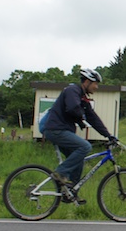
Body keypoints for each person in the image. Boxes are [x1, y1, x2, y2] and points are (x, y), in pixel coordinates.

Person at [43, 68, 117, 204]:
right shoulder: (73, 90)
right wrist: (81, 119)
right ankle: (60, 173)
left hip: (62, 130)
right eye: (95, 83)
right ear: (87, 82)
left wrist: (109, 135)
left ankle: (70, 191)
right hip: (56, 129)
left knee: (79, 158)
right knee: (85, 147)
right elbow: (72, 108)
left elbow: (93, 118)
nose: (97, 87)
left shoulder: (82, 98)